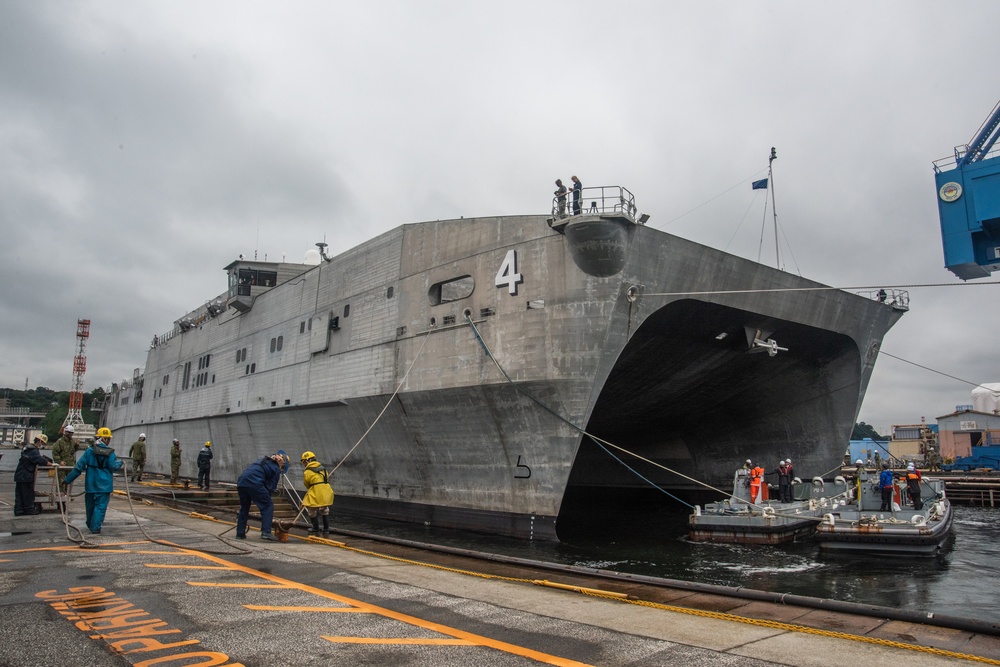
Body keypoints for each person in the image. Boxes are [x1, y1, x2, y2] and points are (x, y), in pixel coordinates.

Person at [63, 427, 123, 534]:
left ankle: (90, 524)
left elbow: (78, 468)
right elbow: (113, 466)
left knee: (90, 506)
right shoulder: (110, 453)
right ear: (106, 439)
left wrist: (67, 480)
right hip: (104, 486)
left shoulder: (89, 451)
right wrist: (120, 463)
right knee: (100, 507)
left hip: (91, 485)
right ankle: (95, 528)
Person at [235, 453, 288, 541]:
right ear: (280, 462)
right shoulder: (275, 468)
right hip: (254, 482)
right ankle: (266, 532)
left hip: (241, 482)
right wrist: (267, 496)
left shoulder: (261, 461)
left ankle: (240, 533)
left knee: (244, 508)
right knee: (268, 505)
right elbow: (271, 488)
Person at [14, 435, 53, 516]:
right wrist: (52, 464)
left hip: (19, 474)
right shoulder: (33, 450)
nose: (42, 445)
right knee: (28, 493)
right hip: (26, 475)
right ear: (39, 441)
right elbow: (39, 460)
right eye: (42, 443)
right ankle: (29, 509)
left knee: (19, 493)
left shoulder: (26, 449)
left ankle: (19, 510)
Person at [300, 451, 334, 536]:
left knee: (311, 510)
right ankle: (326, 529)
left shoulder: (307, 471)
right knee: (324, 510)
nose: (304, 464)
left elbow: (306, 483)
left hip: (315, 490)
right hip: (326, 490)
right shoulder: (323, 468)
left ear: (307, 461)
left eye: (304, 462)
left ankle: (315, 529)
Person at [51, 424, 79, 495]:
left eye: (71, 433)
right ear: (65, 432)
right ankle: (60, 498)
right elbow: (55, 453)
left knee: (69, 481)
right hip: (62, 467)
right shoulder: (59, 442)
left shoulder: (72, 442)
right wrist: (59, 462)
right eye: (68, 432)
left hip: (70, 465)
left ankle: (67, 495)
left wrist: (77, 445)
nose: (70, 434)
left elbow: (73, 451)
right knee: (61, 482)